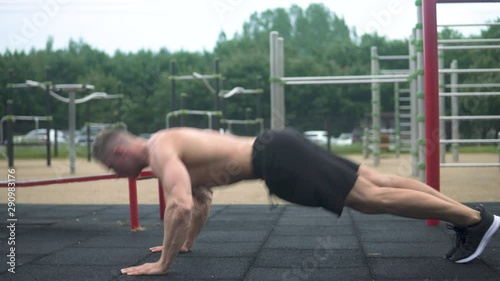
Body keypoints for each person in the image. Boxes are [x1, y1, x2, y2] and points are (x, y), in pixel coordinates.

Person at [92, 127, 500, 276]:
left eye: (111, 166)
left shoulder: (161, 152)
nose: (113, 174)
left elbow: (179, 204)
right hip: (279, 145)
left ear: (122, 152)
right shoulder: (169, 144)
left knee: (370, 198)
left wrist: (163, 266)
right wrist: (183, 244)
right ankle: (470, 217)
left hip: (278, 159)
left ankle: (474, 220)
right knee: (377, 180)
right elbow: (199, 200)